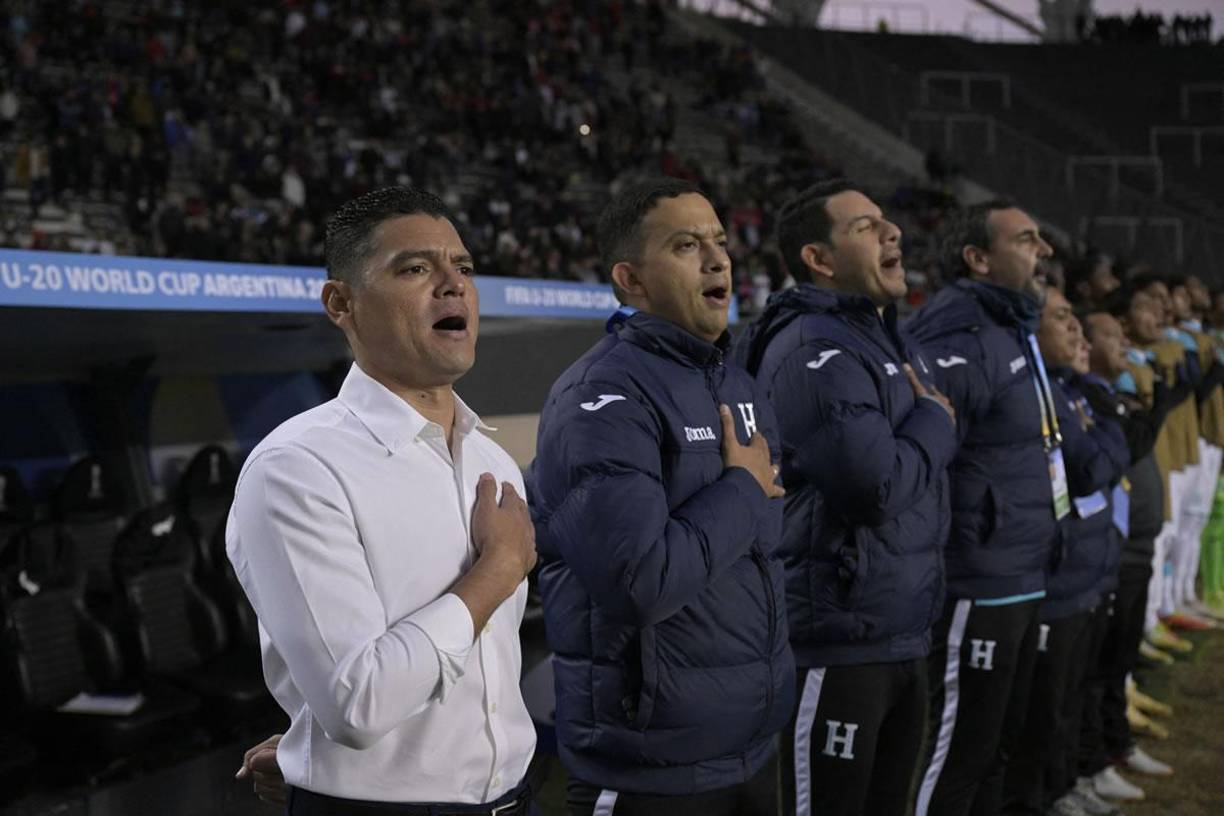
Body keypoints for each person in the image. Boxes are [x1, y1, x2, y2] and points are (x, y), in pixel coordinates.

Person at [226, 186, 539, 815]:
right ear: (341, 303)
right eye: (416, 268)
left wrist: (307, 747)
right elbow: (357, 702)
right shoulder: (297, 468)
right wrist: (498, 571)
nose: (453, 285)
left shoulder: (493, 461)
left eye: (463, 267)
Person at [528, 178, 793, 816]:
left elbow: (762, 551)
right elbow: (640, 581)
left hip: (752, 744)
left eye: (720, 241)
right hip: (649, 766)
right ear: (632, 280)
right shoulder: (600, 396)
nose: (718, 259)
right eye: (686, 245)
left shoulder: (739, 385)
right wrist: (742, 488)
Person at [733, 180, 956, 816]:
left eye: (886, 222)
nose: (892, 233)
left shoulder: (881, 336)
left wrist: (929, 429)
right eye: (865, 227)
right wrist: (934, 422)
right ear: (819, 259)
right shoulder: (813, 347)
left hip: (897, 629)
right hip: (838, 642)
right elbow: (877, 488)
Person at [905, 199, 1058, 816]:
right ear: (978, 258)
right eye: (1026, 239)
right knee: (959, 755)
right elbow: (928, 458)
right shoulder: (959, 337)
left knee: (996, 748)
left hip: (1020, 568)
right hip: (978, 580)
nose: (1045, 251)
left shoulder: (1008, 326)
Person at [1001, 288, 1129, 816]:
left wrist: (1105, 440)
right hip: (1057, 579)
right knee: (1042, 710)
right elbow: (1093, 467)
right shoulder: (1043, 394)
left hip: (1084, 573)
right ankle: (1039, 798)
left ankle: (1062, 786)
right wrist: (1109, 434)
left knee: (1070, 696)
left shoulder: (1072, 392)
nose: (1076, 330)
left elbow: (1105, 460)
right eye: (1062, 318)